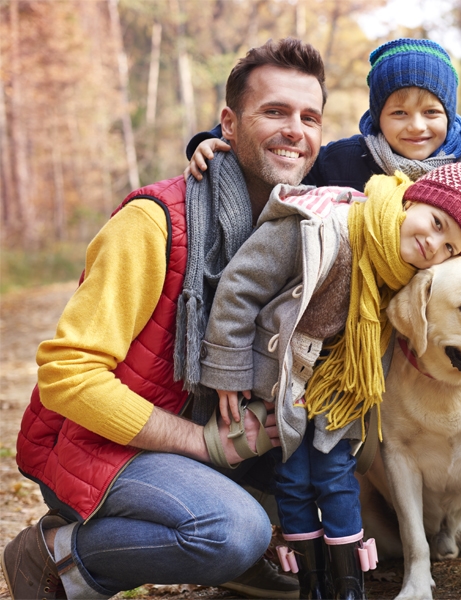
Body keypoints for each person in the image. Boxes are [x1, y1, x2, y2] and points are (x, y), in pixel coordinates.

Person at [1, 38, 332, 600]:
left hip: (222, 438)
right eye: (274, 111)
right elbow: (67, 376)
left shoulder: (306, 227)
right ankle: (60, 556)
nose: (295, 130)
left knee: (337, 464)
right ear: (228, 123)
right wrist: (200, 443)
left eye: (309, 117)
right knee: (233, 532)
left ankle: (233, 531)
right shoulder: (154, 223)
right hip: (106, 445)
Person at [199, 159, 461, 600]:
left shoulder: (403, 275)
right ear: (413, 198)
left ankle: (349, 583)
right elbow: (240, 287)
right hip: (279, 381)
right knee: (292, 478)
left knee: (336, 475)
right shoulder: (317, 225)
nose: (432, 241)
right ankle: (310, 583)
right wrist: (228, 371)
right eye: (436, 221)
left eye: (447, 245)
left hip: (342, 389)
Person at [185, 38, 461, 194]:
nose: (417, 126)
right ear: (376, 117)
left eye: (431, 112)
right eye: (398, 112)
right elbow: (280, 159)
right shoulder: (345, 159)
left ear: (449, 113)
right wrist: (207, 140)